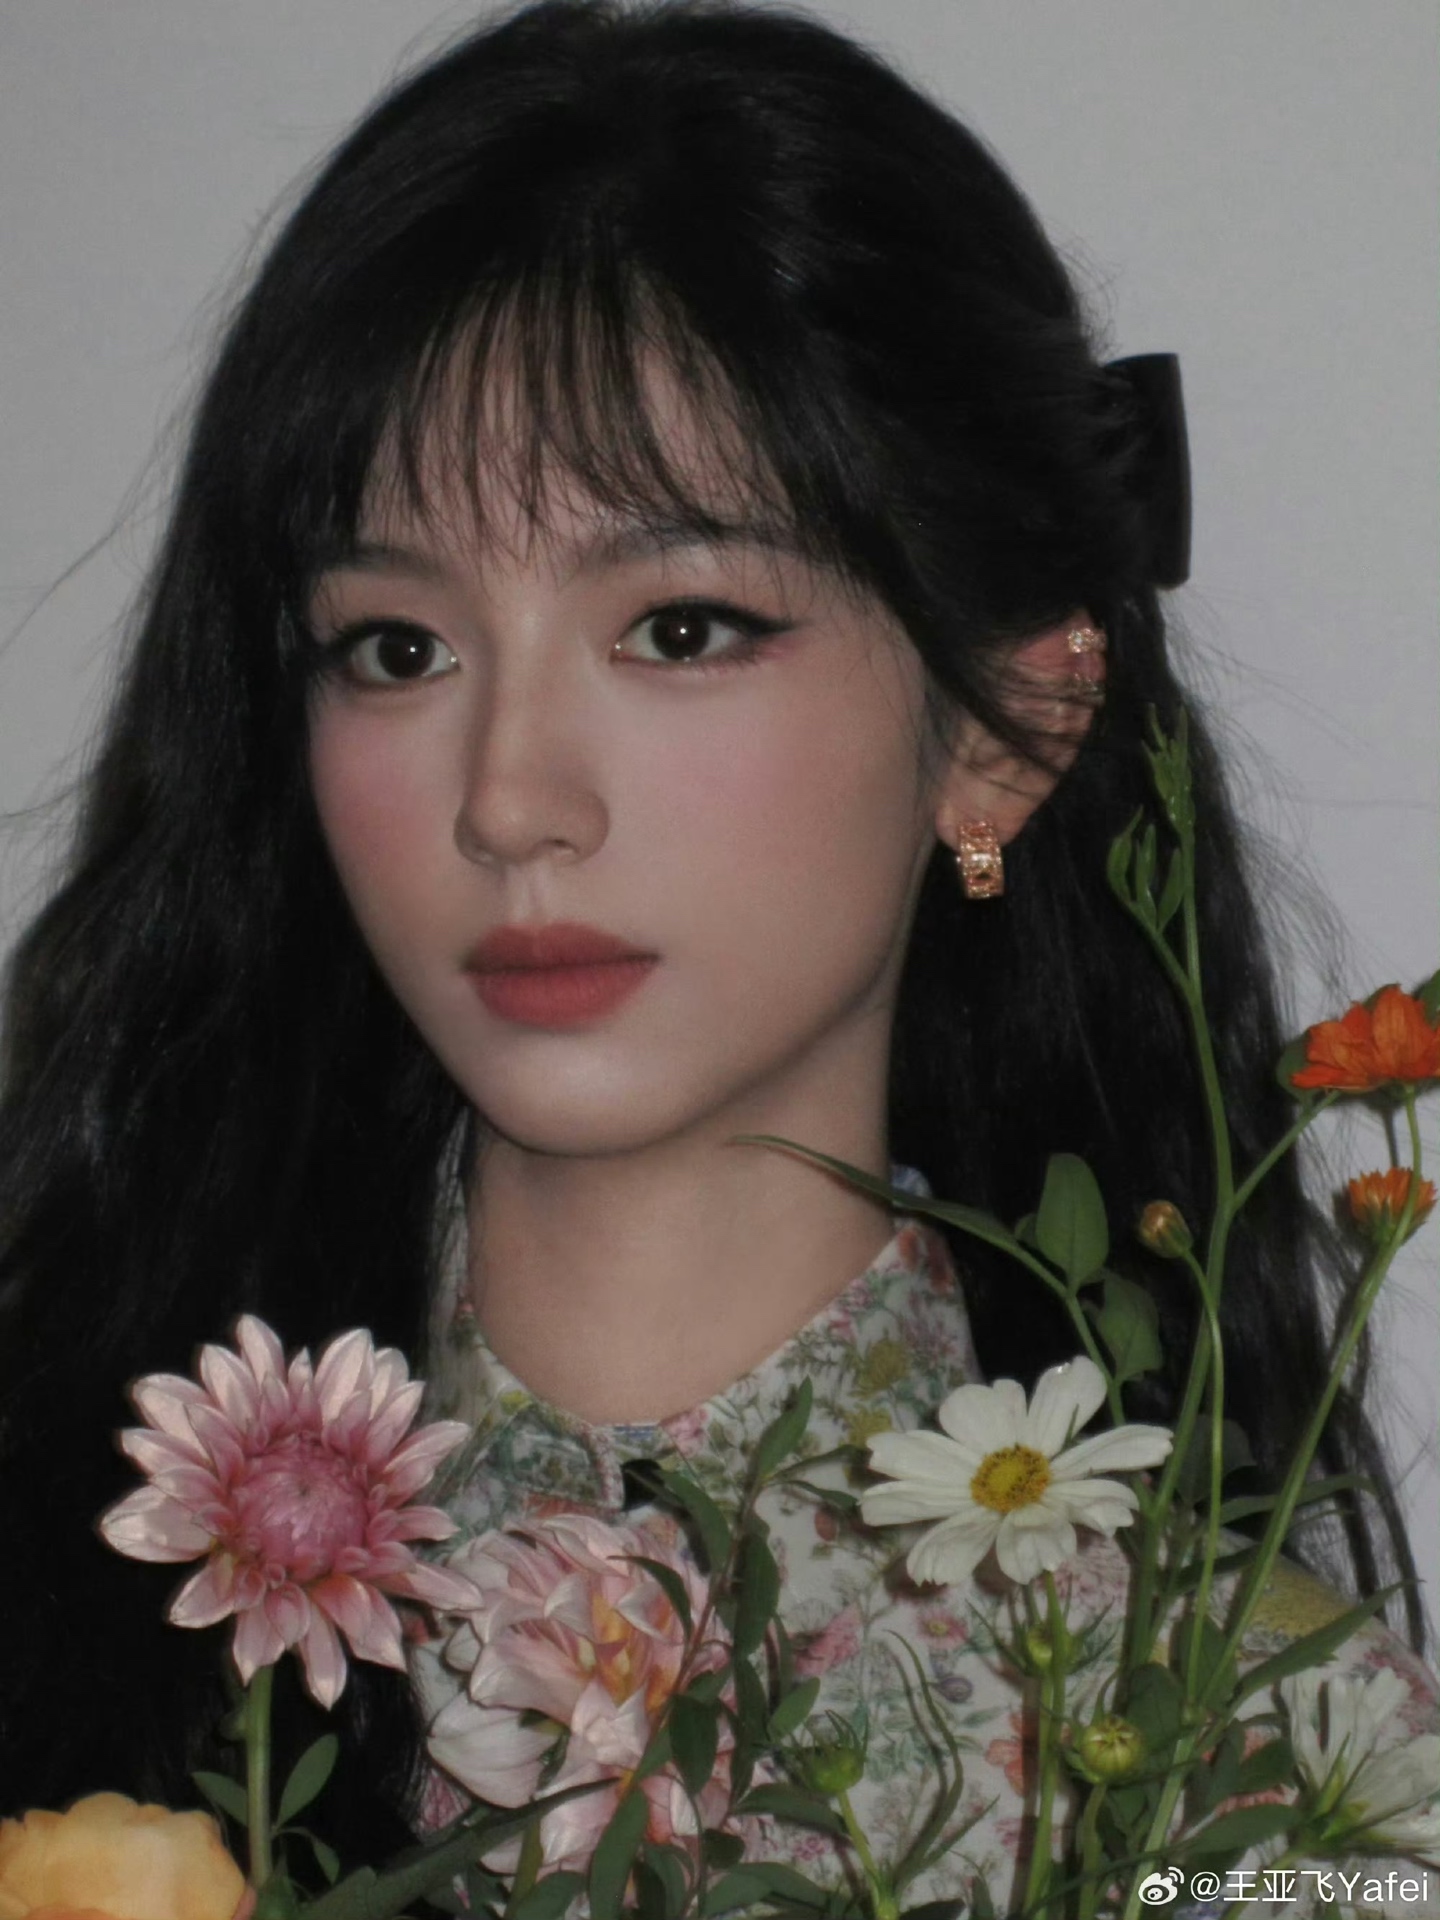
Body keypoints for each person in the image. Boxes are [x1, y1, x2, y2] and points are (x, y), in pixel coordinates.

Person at [0, 0, 1432, 1896]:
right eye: (397, 648)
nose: (510, 799)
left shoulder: (1258, 1775)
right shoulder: (59, 1567)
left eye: (679, 628)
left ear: (1010, 723)